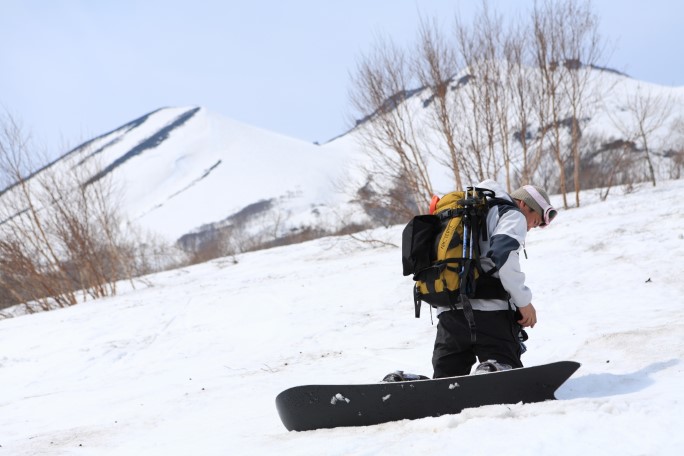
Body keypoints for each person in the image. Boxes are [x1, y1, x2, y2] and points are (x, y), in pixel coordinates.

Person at [431, 179, 557, 377]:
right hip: (490, 313)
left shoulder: (461, 212)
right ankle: (492, 369)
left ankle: (402, 386)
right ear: (524, 204)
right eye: (534, 221)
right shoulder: (511, 215)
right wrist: (524, 302)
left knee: (446, 380)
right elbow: (503, 255)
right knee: (503, 374)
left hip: (449, 310)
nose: (530, 228)